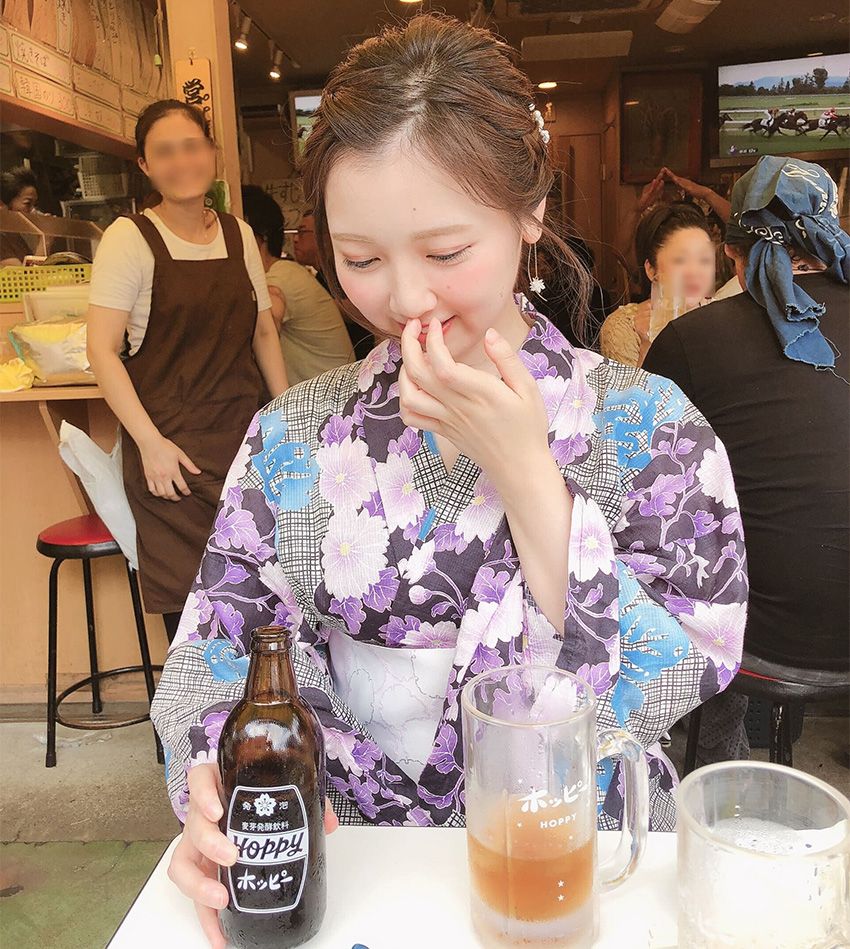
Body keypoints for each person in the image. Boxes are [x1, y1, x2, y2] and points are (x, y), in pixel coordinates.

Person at [150, 17, 746, 945]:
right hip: (351, 875)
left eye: (445, 252)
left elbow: (691, 658)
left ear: (531, 210)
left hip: (574, 869)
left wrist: (527, 477)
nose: (405, 299)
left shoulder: (652, 425)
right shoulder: (295, 431)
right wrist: (216, 780)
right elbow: (215, 653)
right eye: (360, 259)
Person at [645, 156, 849, 766]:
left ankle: (712, 778)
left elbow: (641, 494)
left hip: (759, 640)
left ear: (732, 254)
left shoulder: (692, 340)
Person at [86, 100, 288, 643]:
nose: (182, 161)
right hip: (171, 456)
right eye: (165, 151)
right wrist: (148, 443)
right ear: (145, 166)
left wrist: (288, 421)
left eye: (192, 145)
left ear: (212, 152)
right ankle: (189, 729)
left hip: (247, 446)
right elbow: (101, 351)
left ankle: (260, 727)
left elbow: (263, 332)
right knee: (197, 624)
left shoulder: (237, 233)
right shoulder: (129, 239)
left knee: (264, 609)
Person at [241, 185, 355, 386]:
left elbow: (268, 318)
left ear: (260, 236)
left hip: (329, 405)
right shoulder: (287, 272)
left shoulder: (280, 277)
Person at [600, 203, 716, 366]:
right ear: (651, 269)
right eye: (680, 260)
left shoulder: (726, 319)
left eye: (704, 259)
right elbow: (629, 392)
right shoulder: (624, 328)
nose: (694, 272)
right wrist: (647, 345)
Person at [297, 206, 375, 358]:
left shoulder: (344, 271)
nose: (295, 239)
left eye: (302, 232)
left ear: (326, 238)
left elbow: (360, 310)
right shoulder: (319, 275)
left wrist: (318, 305)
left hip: (358, 358)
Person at [1, 165, 39, 265]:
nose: (33, 211)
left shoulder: (14, 236)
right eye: (27, 204)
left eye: (34, 205)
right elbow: (26, 278)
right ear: (2, 205)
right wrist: (46, 242)